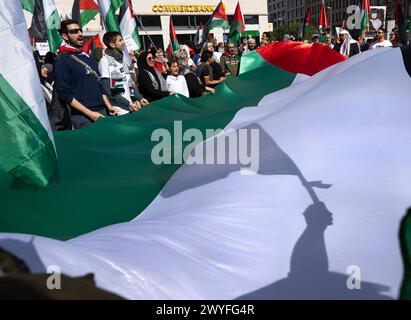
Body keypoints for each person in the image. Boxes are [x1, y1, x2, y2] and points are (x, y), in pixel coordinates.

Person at [55, 19, 118, 129]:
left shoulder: (88, 57)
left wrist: (109, 106)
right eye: (74, 31)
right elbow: (64, 93)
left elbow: (99, 85)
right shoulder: (63, 60)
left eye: (80, 30)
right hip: (83, 117)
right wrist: (90, 113)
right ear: (65, 36)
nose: (80, 34)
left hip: (104, 111)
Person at [99, 31, 148, 115]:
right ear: (112, 44)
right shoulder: (105, 61)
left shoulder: (122, 59)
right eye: (120, 40)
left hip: (130, 107)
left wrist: (139, 98)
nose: (123, 42)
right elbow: (109, 91)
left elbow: (129, 84)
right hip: (119, 111)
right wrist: (128, 103)